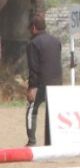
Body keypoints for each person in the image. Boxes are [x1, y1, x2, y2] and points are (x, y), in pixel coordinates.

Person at [25, 13, 63, 148]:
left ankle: (32, 142)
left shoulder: (33, 44)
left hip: (41, 84)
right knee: (52, 113)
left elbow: (33, 68)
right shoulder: (56, 41)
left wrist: (32, 88)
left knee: (31, 109)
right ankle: (52, 142)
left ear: (34, 28)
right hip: (57, 83)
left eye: (30, 28)